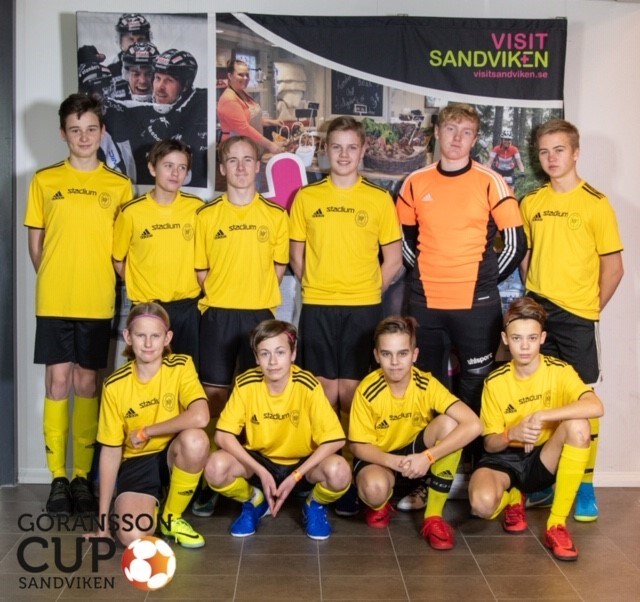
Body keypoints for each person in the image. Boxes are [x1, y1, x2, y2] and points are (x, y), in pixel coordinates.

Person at [395, 103, 525, 510]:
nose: (457, 138)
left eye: (466, 132)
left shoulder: (491, 182)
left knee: (476, 387)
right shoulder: (415, 182)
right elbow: (403, 241)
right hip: (426, 303)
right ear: (437, 132)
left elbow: (516, 243)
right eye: (451, 129)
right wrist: (428, 275)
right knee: (428, 389)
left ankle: (473, 472)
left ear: (475, 138)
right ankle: (427, 477)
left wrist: (481, 282)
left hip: (476, 305)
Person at [24, 93, 134, 516]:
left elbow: (122, 250)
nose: (84, 137)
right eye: (75, 130)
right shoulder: (44, 181)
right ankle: (58, 477)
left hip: (97, 300)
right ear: (63, 134)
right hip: (54, 300)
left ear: (102, 132)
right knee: (57, 383)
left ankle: (82, 477)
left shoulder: (119, 186)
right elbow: (37, 246)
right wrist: (57, 276)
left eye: (91, 129)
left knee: (88, 385)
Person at [520, 118, 623, 520]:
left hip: (578, 316)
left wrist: (588, 309)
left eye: (559, 150)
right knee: (544, 398)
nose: (551, 158)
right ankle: (545, 480)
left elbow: (613, 268)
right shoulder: (532, 203)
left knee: (582, 401)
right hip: (538, 313)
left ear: (575, 153)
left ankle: (584, 485)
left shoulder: (596, 203)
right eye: (544, 152)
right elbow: (527, 257)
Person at [468, 297, 604, 561]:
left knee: (579, 425)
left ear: (542, 338)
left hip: (542, 458)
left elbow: (596, 406)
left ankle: (556, 525)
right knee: (481, 505)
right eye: (517, 338)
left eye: (531, 338)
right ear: (505, 339)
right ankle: (513, 496)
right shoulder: (494, 382)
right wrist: (511, 434)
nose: (524, 346)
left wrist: (543, 416)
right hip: (505, 459)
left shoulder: (560, 371)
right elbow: (489, 444)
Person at [289, 116, 403, 423]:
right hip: (318, 306)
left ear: (363, 150)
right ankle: (328, 454)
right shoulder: (306, 197)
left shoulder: (379, 199)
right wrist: (318, 284)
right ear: (325, 148)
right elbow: (296, 257)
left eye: (352, 147)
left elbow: (394, 260)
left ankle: (356, 453)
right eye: (337, 147)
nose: (343, 154)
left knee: (354, 393)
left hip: (363, 308)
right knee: (323, 392)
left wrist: (368, 290)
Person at [204, 319, 351, 540]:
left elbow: (335, 440)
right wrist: (261, 472)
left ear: (293, 354)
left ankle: (314, 504)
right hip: (261, 461)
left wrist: (296, 476)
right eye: (265, 354)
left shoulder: (308, 385)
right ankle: (253, 500)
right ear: (256, 358)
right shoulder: (246, 383)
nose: (273, 362)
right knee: (215, 467)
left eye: (280, 352)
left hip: (302, 465)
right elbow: (223, 436)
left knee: (339, 471)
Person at [195, 135, 289, 464]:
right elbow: (201, 271)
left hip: (258, 316)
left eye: (247, 159)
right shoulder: (206, 216)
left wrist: (253, 293)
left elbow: (278, 268)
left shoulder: (276, 215)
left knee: (257, 395)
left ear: (257, 166)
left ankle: (253, 466)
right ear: (222, 168)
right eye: (232, 160)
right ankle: (212, 470)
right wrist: (225, 292)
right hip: (217, 314)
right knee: (214, 396)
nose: (240, 167)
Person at [349, 316, 482, 550]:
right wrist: (393, 462)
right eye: (387, 354)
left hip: (417, 457)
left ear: (414, 354)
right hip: (381, 459)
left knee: (450, 424)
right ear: (377, 355)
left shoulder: (426, 384)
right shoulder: (367, 390)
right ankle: (380, 504)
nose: (395, 362)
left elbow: (474, 424)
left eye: (402, 353)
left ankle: (433, 517)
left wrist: (428, 457)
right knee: (374, 489)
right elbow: (357, 446)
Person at [89, 303, 209, 548]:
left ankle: (170, 517)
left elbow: (201, 417)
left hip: (172, 453)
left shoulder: (181, 365)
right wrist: (102, 525)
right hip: (137, 463)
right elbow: (110, 451)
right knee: (132, 536)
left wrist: (146, 431)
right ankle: (149, 504)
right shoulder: (114, 385)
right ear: (128, 337)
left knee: (196, 440)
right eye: (140, 335)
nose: (147, 343)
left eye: (155, 336)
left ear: (167, 338)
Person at [112, 139, 204, 365]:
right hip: (147, 309)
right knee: (146, 376)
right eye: (168, 166)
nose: (175, 173)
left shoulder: (197, 208)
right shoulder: (131, 212)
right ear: (152, 168)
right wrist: (139, 284)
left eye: (182, 167)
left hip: (187, 308)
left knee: (186, 375)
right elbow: (118, 259)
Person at [102, 48, 208, 187]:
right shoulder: (139, 108)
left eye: (168, 80)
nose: (159, 87)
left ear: (185, 85)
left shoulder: (203, 103)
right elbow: (106, 105)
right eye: (157, 78)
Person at [217, 59, 283, 155]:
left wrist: (272, 122)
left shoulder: (242, 92)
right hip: (235, 147)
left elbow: (251, 119)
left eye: (247, 75)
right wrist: (270, 145)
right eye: (240, 74)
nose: (245, 78)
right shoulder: (229, 99)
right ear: (230, 76)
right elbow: (244, 128)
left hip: (250, 145)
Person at [106, 13, 153, 96]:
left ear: (148, 41)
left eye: (141, 39)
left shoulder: (157, 64)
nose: (136, 44)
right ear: (120, 42)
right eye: (131, 39)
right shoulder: (110, 70)